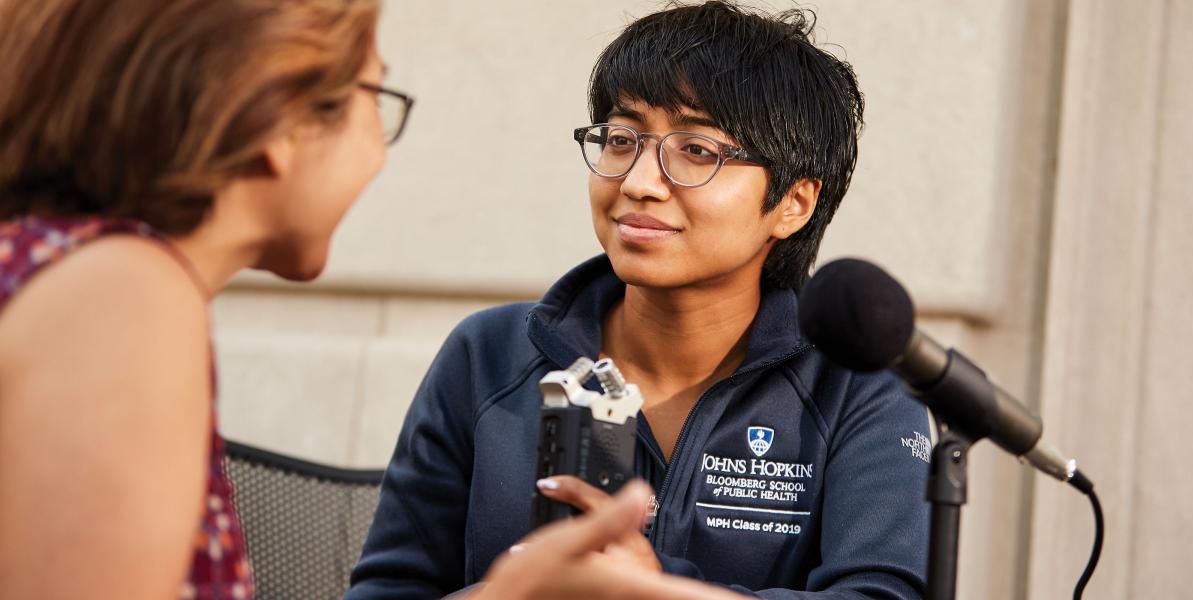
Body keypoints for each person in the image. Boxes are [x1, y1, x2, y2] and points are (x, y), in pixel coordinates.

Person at [0, 2, 744, 599]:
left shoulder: (78, 273)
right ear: (278, 119)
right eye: (374, 98)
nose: (380, 151)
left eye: (696, 151)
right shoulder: (126, 298)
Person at [348, 2, 931, 599]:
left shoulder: (859, 386)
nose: (638, 182)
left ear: (794, 204)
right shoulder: (490, 354)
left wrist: (649, 590)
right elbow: (389, 590)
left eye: (697, 151)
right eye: (622, 139)